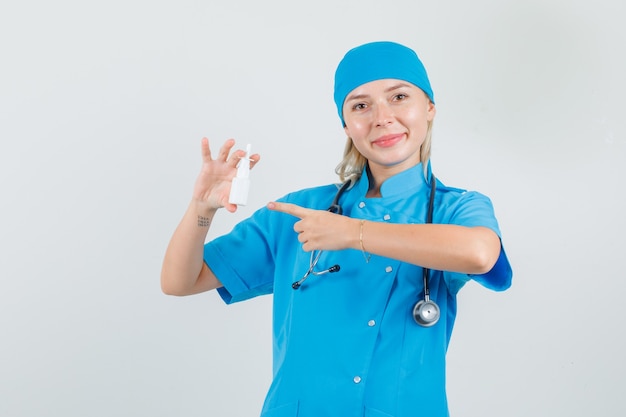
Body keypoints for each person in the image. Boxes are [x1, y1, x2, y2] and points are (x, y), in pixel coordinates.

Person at [161, 41, 512, 417]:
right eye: (361, 105)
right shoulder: (298, 212)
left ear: (429, 108)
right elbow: (181, 281)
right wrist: (201, 208)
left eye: (399, 97)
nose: (382, 117)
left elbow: (480, 253)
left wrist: (351, 233)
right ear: (346, 124)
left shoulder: (455, 209)